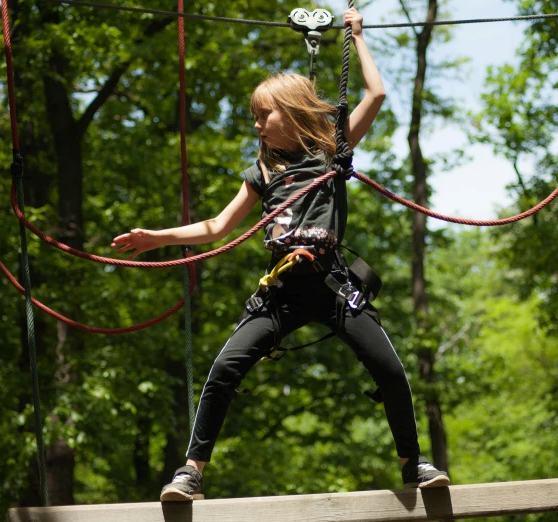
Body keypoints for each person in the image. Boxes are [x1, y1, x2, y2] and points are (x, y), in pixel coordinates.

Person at [111, 8, 449, 502]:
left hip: (334, 286)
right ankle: (190, 472)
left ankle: (412, 462)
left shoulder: (331, 153)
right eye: (255, 117)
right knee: (225, 368)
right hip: (283, 289)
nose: (257, 125)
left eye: (263, 114)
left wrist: (355, 38)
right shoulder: (262, 174)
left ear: (290, 112)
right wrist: (156, 238)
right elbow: (218, 227)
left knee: (390, 369)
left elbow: (375, 95)